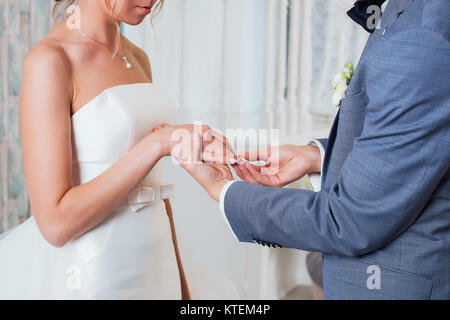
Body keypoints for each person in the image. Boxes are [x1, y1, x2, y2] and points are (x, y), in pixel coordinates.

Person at [179, 0, 450, 299]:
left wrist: (224, 189)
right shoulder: (409, 12)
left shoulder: (424, 35)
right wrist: (318, 156)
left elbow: (349, 220)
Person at [0, 0, 233, 299]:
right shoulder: (50, 61)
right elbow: (55, 224)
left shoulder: (137, 57)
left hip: (157, 265)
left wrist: (182, 287)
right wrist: (158, 144)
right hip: (96, 275)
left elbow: (154, 186)